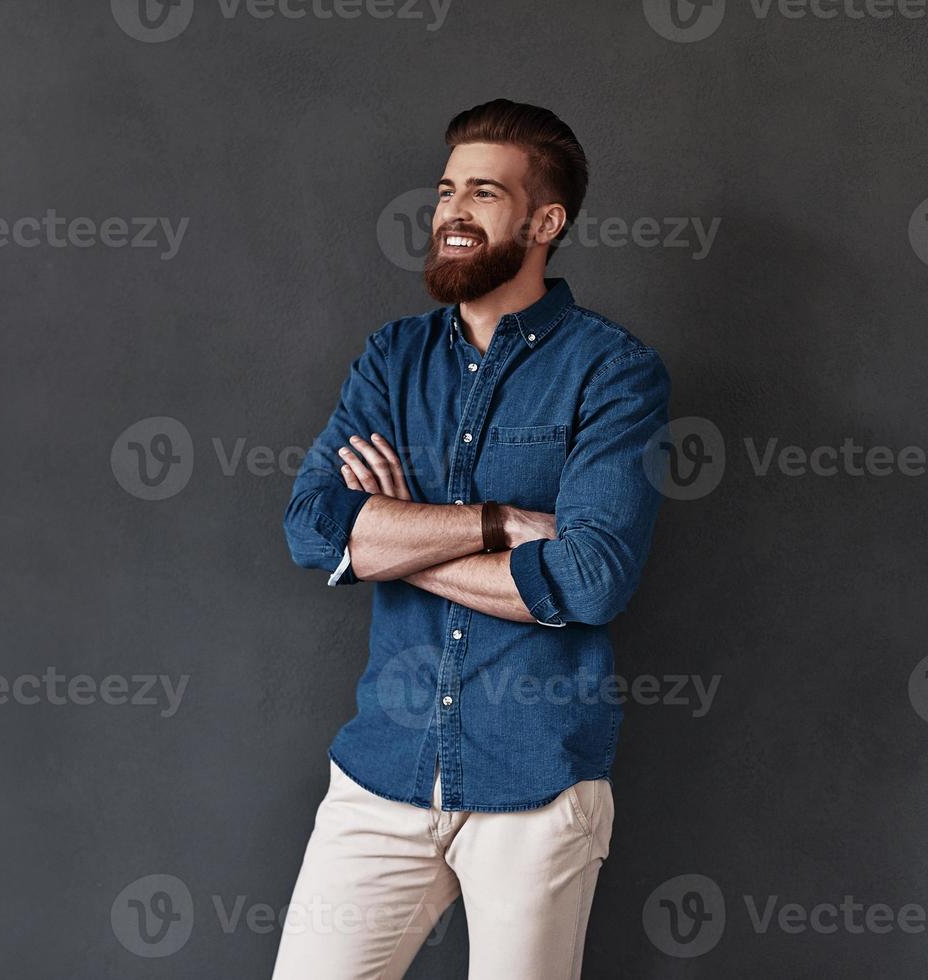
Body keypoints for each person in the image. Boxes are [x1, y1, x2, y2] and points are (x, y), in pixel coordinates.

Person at [274, 98, 671, 979]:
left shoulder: (613, 373)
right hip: (380, 776)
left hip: (535, 787)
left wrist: (391, 538)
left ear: (544, 220)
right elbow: (312, 529)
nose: (451, 211)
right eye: (446, 189)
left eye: (482, 193)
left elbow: (588, 579)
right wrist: (494, 525)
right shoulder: (391, 359)